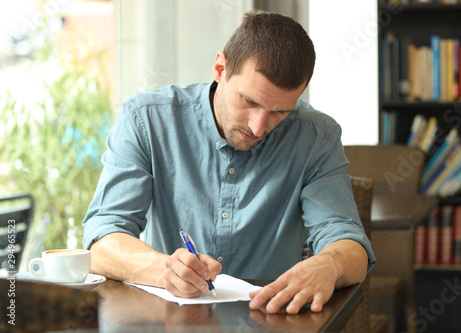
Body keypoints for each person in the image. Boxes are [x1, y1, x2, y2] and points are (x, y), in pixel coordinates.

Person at [83, 10, 376, 315]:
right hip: (170, 321)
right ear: (220, 68)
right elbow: (102, 240)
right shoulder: (146, 119)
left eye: (280, 112)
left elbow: (349, 242)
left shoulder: (316, 136)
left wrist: (329, 264)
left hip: (270, 320)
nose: (259, 127)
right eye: (249, 102)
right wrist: (164, 269)